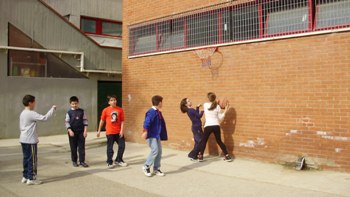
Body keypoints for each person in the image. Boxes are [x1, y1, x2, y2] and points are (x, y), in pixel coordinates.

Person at [19, 95, 56, 185]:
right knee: (32, 160)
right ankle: (31, 178)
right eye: (34, 102)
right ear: (30, 103)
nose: (35, 103)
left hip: (23, 139)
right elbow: (44, 118)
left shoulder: (23, 113)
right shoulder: (31, 113)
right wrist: (52, 109)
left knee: (26, 158)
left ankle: (25, 176)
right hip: (30, 140)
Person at [197, 92, 233, 162]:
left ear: (208, 98)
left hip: (208, 126)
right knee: (219, 141)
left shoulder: (205, 105)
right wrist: (225, 109)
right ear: (215, 98)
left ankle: (200, 156)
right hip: (216, 125)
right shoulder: (218, 106)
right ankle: (227, 156)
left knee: (204, 141)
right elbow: (220, 117)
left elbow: (209, 105)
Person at [97, 95, 127, 169]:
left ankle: (119, 159)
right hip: (110, 132)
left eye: (114, 100)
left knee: (122, 146)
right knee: (110, 148)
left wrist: (122, 130)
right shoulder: (105, 110)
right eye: (112, 100)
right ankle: (109, 162)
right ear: (109, 102)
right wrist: (99, 131)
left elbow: (122, 121)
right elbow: (102, 120)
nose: (114, 101)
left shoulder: (120, 110)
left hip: (118, 132)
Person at [142, 95, 168, 177]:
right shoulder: (151, 112)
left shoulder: (157, 112)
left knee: (159, 152)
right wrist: (145, 131)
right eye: (162, 102)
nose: (162, 103)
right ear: (159, 103)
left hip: (156, 135)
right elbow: (147, 122)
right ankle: (146, 166)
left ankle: (156, 169)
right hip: (151, 135)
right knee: (155, 151)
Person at [65, 96, 88, 168]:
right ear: (70, 104)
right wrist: (70, 130)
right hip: (72, 132)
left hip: (81, 132)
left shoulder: (82, 111)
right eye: (73, 104)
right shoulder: (69, 112)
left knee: (81, 147)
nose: (74, 105)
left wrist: (85, 131)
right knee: (73, 147)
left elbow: (85, 121)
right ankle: (74, 161)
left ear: (78, 103)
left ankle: (82, 161)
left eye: (76, 103)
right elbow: (66, 122)